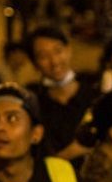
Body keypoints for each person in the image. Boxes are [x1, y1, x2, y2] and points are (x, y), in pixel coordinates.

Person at [27, 25, 96, 161]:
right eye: (43, 56)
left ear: (68, 50)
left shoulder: (94, 95)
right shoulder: (34, 105)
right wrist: (71, 152)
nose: (54, 61)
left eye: (58, 51)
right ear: (34, 63)